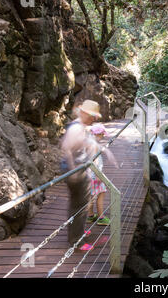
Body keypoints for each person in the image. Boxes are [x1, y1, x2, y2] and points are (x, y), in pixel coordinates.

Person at [60, 100, 102, 251]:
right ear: (83, 113)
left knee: (79, 203)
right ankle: (76, 240)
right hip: (76, 171)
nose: (94, 119)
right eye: (92, 116)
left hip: (78, 169)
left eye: (95, 117)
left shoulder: (80, 126)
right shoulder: (77, 127)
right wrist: (73, 172)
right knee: (80, 204)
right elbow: (66, 148)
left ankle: (78, 231)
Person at [86, 124, 111, 225]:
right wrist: (98, 175)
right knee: (101, 193)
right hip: (94, 175)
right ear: (98, 134)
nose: (103, 137)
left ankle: (90, 216)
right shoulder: (94, 146)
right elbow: (95, 161)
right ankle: (101, 218)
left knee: (90, 196)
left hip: (87, 175)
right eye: (102, 135)